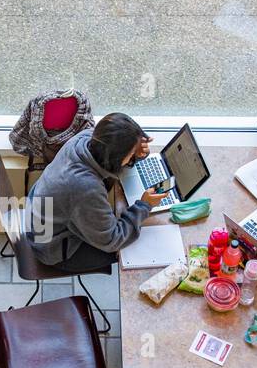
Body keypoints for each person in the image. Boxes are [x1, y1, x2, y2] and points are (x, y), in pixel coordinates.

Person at [26, 112, 166, 273]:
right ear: (116, 157)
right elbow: (113, 239)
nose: (132, 156)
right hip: (53, 248)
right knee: (131, 251)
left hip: (43, 219)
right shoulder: (85, 188)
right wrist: (144, 205)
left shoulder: (87, 138)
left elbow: (113, 158)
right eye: (130, 154)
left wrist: (136, 153)